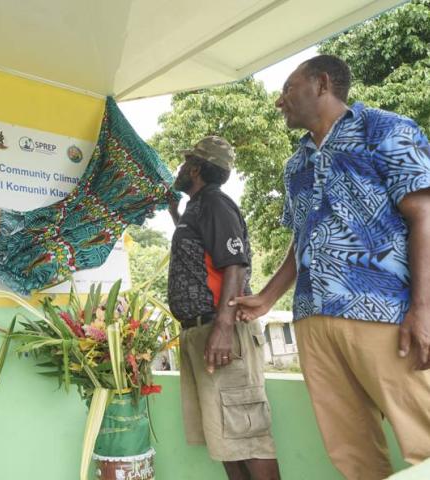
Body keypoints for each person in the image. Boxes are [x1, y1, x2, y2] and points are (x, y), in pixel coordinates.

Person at [231, 55, 430, 479]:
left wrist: (423, 308)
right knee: (352, 453)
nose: (279, 102)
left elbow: (424, 216)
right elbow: (302, 238)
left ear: (321, 84)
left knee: (424, 436)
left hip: (384, 312)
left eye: (288, 89)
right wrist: (268, 298)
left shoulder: (386, 130)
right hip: (313, 319)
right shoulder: (295, 164)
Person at [167, 136, 280, 480]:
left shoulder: (215, 204)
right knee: (226, 441)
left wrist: (223, 328)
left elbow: (235, 264)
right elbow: (204, 257)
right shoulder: (197, 208)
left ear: (197, 169)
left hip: (221, 333)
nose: (181, 168)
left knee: (248, 439)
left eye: (186, 163)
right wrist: (175, 215)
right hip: (203, 332)